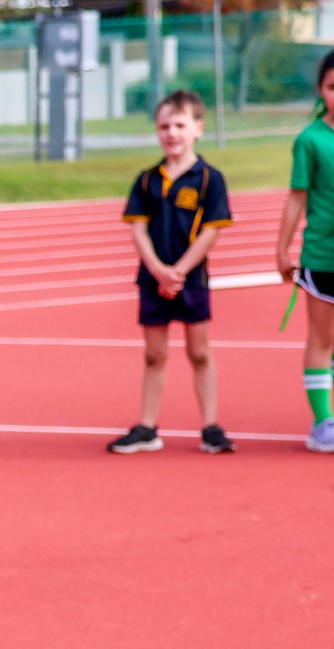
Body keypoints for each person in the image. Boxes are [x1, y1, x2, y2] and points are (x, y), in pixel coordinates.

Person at [109, 89, 235, 455]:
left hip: (191, 280)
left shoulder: (209, 179)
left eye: (180, 125)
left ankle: (210, 427)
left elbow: (211, 231)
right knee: (154, 354)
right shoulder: (147, 180)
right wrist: (158, 269)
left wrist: (178, 271)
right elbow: (137, 228)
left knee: (199, 352)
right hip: (153, 280)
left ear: (198, 128)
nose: (172, 133)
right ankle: (147, 427)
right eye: (164, 126)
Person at [276, 49, 334, 453]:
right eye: (332, 86)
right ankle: (323, 422)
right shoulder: (310, 140)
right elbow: (297, 198)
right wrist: (282, 249)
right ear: (320, 90)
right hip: (323, 256)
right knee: (321, 337)